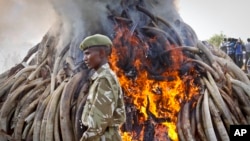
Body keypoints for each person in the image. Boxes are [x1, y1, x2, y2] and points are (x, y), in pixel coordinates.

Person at [79, 34, 126, 141]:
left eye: (87, 54)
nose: (84, 59)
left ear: (101, 53)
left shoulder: (105, 79)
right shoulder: (101, 77)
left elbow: (97, 125)